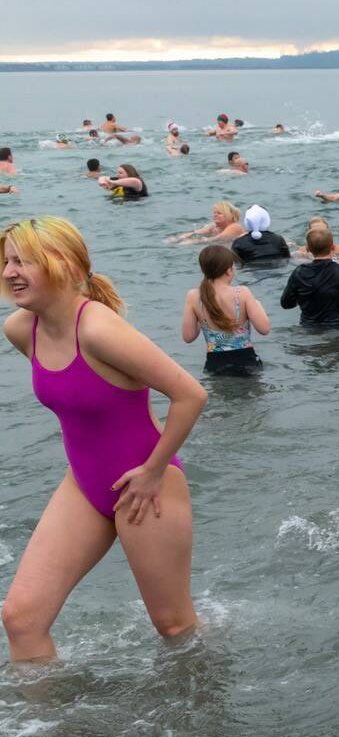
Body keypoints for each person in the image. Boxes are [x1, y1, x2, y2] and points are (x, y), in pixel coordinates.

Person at [1, 217, 208, 661]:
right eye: (8, 261)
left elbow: (189, 395)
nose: (9, 272)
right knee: (21, 619)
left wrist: (154, 471)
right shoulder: (22, 330)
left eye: (24, 261)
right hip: (83, 485)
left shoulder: (98, 330)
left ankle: (205, 717)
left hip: (145, 488)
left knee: (174, 626)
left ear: (63, 264)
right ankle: (51, 727)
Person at [181, 245, 270, 374]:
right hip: (246, 362)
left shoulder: (194, 296)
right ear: (229, 269)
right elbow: (264, 329)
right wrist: (258, 305)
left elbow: (188, 337)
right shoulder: (242, 293)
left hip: (214, 365)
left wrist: (202, 320)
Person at [169, 201, 245, 245]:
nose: (215, 215)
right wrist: (178, 238)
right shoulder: (213, 226)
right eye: (214, 213)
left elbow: (217, 239)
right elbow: (196, 233)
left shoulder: (235, 227)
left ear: (229, 215)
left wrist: (193, 242)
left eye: (219, 213)